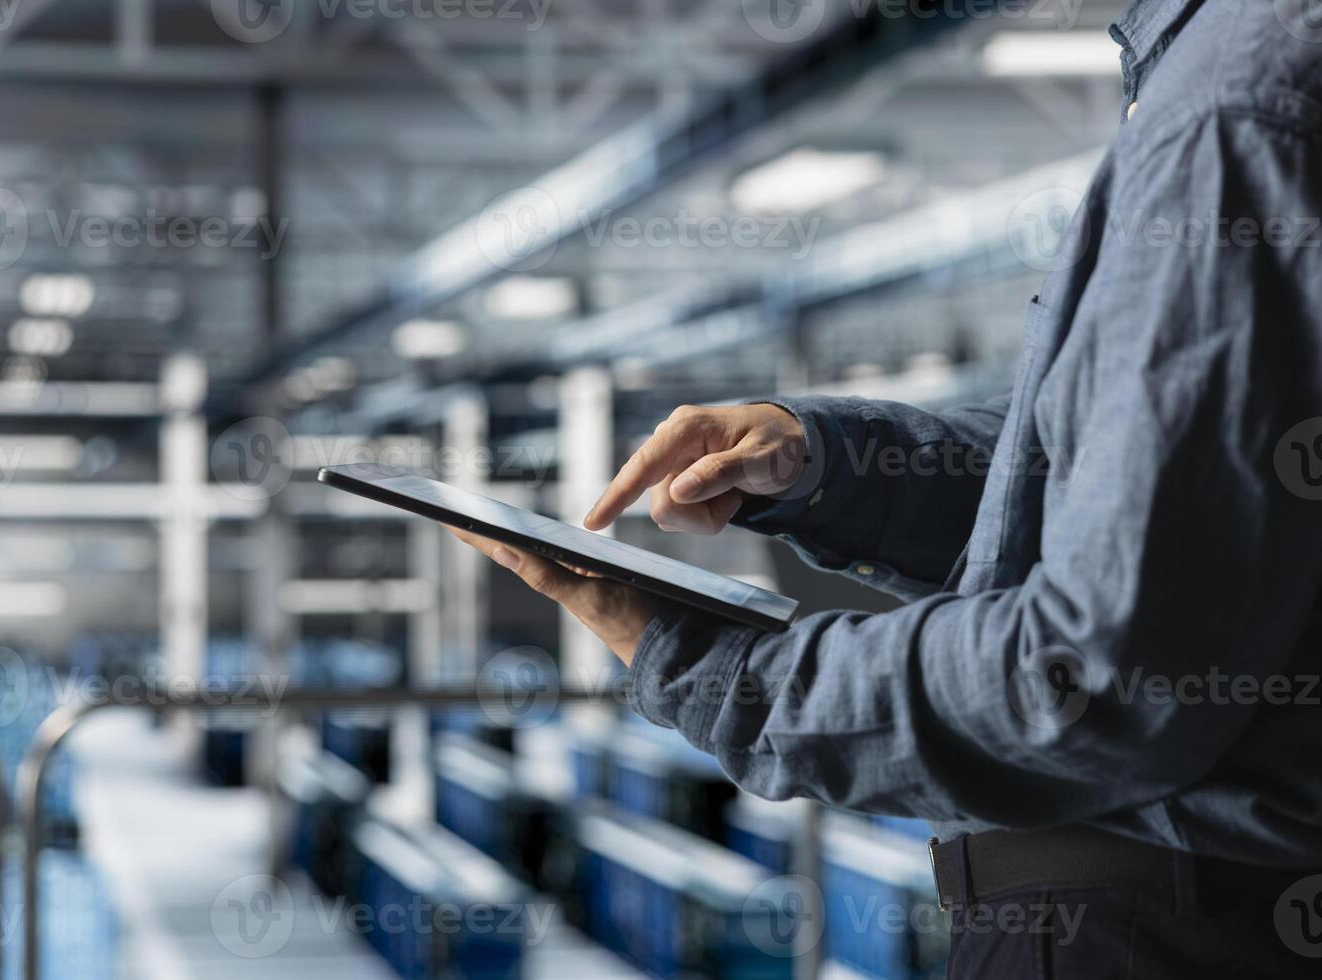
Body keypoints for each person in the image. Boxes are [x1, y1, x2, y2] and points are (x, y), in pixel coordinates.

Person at [451, 0, 1322, 974]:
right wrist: (826, 462)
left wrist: (707, 666)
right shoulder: (1229, 84)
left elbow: (1093, 679)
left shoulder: (1231, 105)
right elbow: (1112, 486)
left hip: (1156, 935)